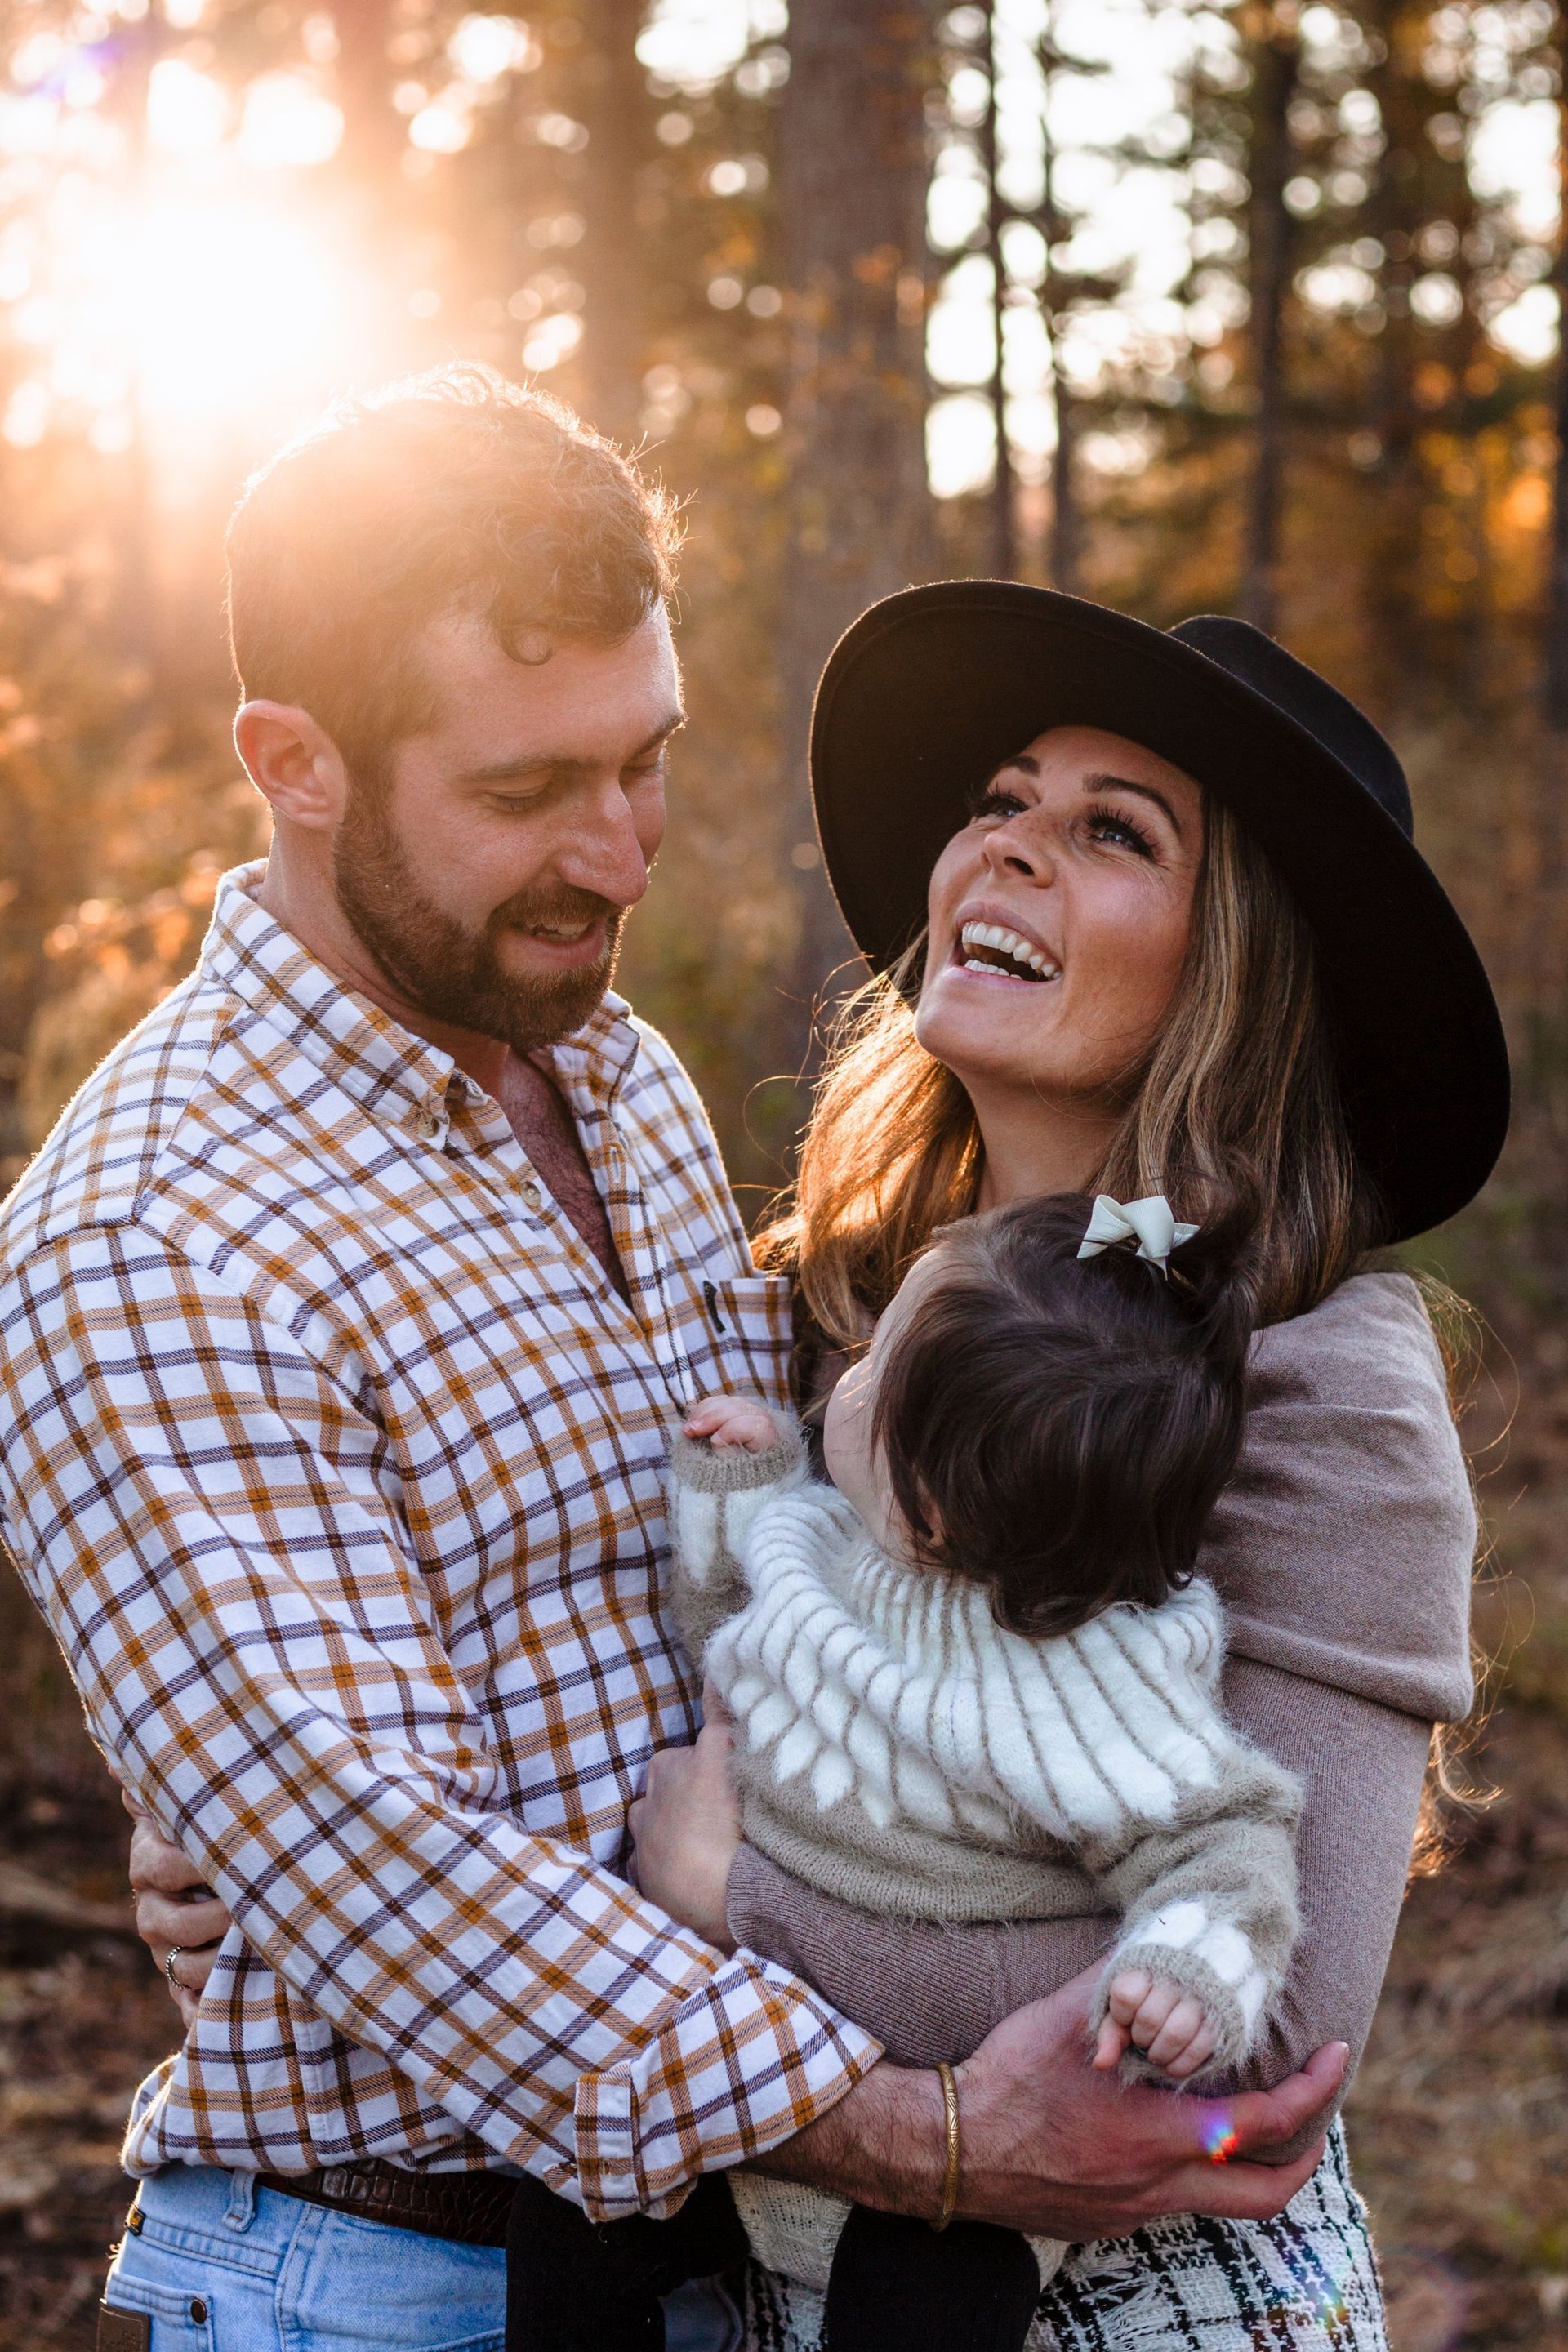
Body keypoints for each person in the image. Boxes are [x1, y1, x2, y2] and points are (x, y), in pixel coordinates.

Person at [0, 381, 1343, 2352]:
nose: (620, 859)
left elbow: (786, 1561)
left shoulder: (605, 1066)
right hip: (411, 2278)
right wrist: (936, 2136)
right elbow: (395, 1870)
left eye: (647, 764)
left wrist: (238, 1803)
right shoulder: (159, 1231)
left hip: (728, 2259)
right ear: (293, 762)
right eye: (531, 790)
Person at [626, 582, 1507, 2351]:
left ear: (1237, 967)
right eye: (1002, 800)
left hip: (1139, 2309)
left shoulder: (1320, 1374)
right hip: (776, 2288)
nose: (1012, 848)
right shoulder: (832, 1293)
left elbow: (1259, 2039)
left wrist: (733, 1903)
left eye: (1114, 832)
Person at [509, 1186, 1307, 2352]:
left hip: (958, 2144)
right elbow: (732, 1628)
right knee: (576, 2205)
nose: (848, 1365)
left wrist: (1186, 1973)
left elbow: (1227, 1840)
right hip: (757, 2091)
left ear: (925, 1507)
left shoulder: (1096, 1681)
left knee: (934, 2297)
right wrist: (741, 1487)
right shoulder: (829, 1542)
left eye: (876, 1363)